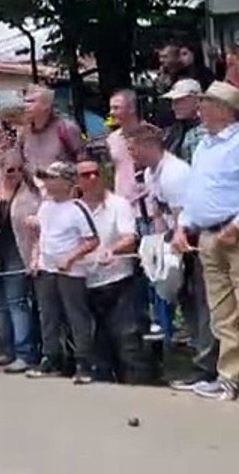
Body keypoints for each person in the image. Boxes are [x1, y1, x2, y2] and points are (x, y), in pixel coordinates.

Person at [176, 81, 239, 405]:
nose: (199, 108)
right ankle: (230, 376)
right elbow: (196, 192)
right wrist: (183, 226)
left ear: (222, 108)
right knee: (223, 312)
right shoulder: (205, 146)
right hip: (210, 235)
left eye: (205, 102)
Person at [123, 122, 214, 390]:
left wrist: (175, 244)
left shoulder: (174, 173)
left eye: (133, 149)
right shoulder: (152, 173)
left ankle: (207, 365)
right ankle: (200, 357)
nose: (131, 155)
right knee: (185, 302)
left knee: (201, 305)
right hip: (173, 242)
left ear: (148, 145)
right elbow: (158, 214)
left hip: (192, 241)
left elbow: (183, 216)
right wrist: (156, 247)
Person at [77, 155, 151, 384]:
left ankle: (137, 383)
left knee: (127, 335)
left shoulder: (118, 204)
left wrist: (111, 250)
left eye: (96, 173)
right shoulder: (73, 208)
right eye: (85, 174)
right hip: (85, 281)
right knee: (97, 339)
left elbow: (129, 237)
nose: (92, 178)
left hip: (119, 278)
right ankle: (105, 382)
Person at [28, 161, 100, 384]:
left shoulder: (77, 208)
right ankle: (51, 357)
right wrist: (35, 258)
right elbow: (41, 236)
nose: (47, 183)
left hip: (70, 271)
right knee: (47, 315)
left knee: (76, 316)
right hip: (46, 268)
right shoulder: (45, 206)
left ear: (67, 182)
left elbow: (92, 240)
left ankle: (84, 363)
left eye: (53, 178)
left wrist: (70, 258)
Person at [0, 150, 41, 374]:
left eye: (19, 169)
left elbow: (40, 214)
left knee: (16, 300)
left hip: (19, 248)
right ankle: (7, 350)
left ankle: (25, 353)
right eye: (10, 170)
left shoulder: (32, 189)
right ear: (0, 168)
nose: (15, 174)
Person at [16, 85, 84, 172]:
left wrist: (64, 169)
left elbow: (84, 164)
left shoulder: (66, 128)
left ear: (46, 105)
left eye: (31, 101)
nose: (25, 106)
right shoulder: (24, 132)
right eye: (24, 101)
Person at [161, 78, 205, 163]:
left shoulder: (206, 131)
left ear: (197, 100)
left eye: (180, 101)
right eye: (173, 101)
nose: (174, 107)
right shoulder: (176, 129)